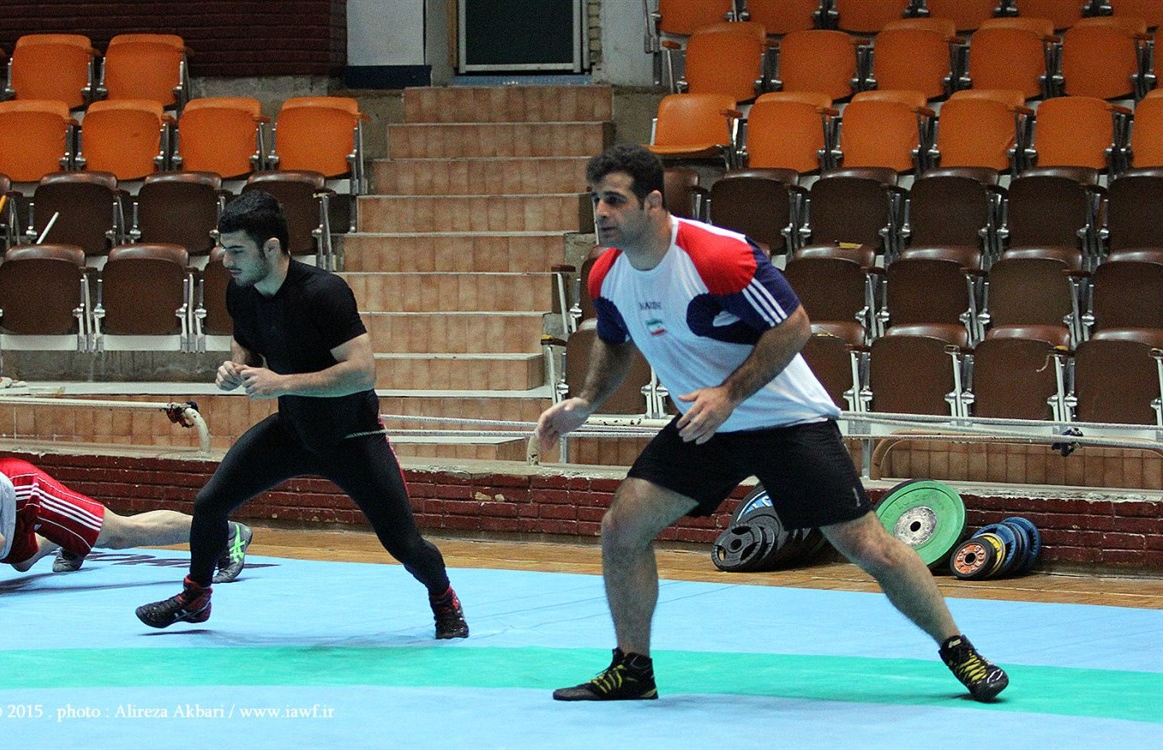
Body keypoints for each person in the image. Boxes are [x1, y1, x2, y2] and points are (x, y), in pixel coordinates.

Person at [536, 144, 1008, 703]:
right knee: (622, 528)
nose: (601, 213)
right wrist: (585, 401)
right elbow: (614, 343)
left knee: (868, 546)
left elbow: (794, 326)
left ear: (653, 202)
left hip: (785, 421)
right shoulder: (607, 274)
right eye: (596, 200)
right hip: (706, 426)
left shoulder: (717, 256)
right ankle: (632, 669)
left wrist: (729, 395)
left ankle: (959, 650)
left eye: (614, 200)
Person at [135, 190, 468, 639]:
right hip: (293, 431)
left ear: (271, 248)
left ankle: (444, 600)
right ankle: (196, 597)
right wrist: (237, 367)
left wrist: (281, 383)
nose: (226, 260)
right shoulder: (242, 291)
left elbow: (362, 372)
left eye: (237, 250)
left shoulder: (324, 293)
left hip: (352, 438)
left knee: (404, 544)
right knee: (209, 504)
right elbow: (246, 341)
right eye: (224, 248)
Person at [0, 457, 252, 610]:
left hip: (22, 490)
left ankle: (226, 532)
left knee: (121, 534)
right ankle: (63, 534)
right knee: (22, 561)